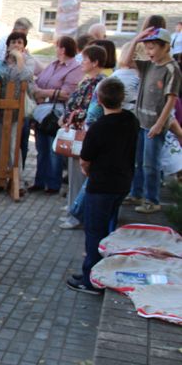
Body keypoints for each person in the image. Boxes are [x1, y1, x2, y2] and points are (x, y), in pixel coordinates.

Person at [66, 79, 139, 294]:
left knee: (94, 231)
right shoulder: (131, 120)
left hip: (102, 185)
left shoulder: (99, 127)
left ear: (99, 100)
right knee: (108, 228)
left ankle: (91, 280)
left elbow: (85, 158)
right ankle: (101, 272)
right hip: (123, 182)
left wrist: (88, 172)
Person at [119, 26, 181, 214]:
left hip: (154, 124)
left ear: (166, 47)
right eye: (147, 48)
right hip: (140, 121)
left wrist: (160, 124)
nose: (149, 52)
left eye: (152, 47)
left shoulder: (171, 69)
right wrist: (137, 38)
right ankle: (136, 193)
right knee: (137, 161)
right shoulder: (149, 65)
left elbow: (171, 99)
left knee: (150, 164)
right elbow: (126, 60)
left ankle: (152, 200)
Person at [58, 45, 108, 229]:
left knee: (80, 175)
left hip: (84, 134)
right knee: (73, 174)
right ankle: (73, 207)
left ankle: (77, 214)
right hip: (76, 131)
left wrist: (71, 117)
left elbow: (92, 111)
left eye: (85, 59)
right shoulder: (88, 80)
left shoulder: (100, 83)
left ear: (95, 62)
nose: (81, 63)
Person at [30, 35, 84, 193]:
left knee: (54, 149)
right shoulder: (53, 64)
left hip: (57, 112)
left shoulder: (75, 68)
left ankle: (53, 184)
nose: (56, 49)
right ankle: (39, 181)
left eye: (58, 46)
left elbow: (68, 93)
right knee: (41, 148)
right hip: (42, 112)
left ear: (63, 49)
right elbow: (39, 80)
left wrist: (43, 92)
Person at [0, 31, 36, 167]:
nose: (16, 45)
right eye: (13, 42)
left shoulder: (29, 60)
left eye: (19, 42)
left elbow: (26, 76)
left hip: (17, 110)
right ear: (8, 46)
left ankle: (15, 179)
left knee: (13, 145)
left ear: (24, 46)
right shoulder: (1, 62)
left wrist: (19, 58)